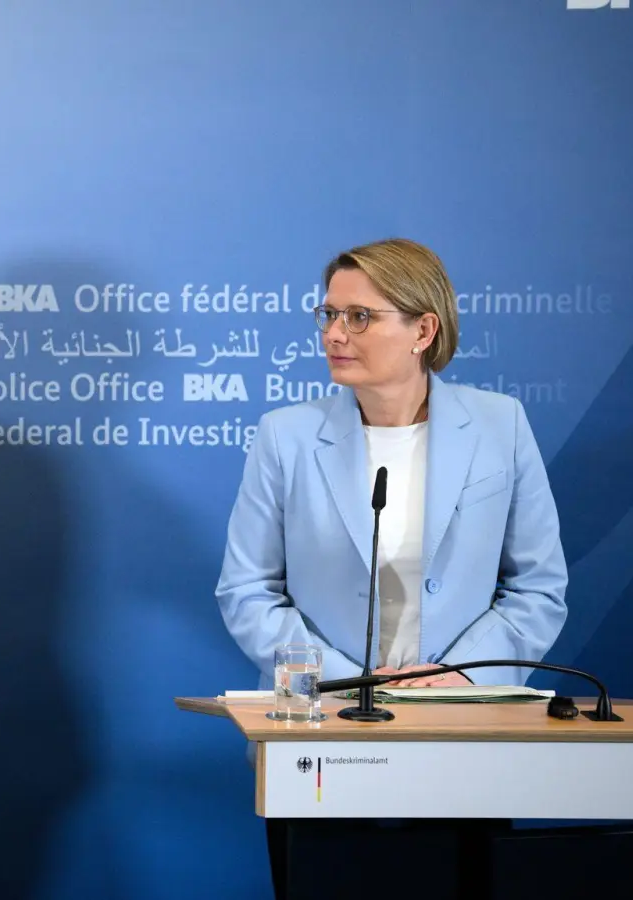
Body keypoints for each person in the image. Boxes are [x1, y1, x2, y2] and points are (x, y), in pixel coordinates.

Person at [215, 238, 567, 689]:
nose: (334, 334)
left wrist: (462, 674)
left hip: (461, 713)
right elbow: (247, 592)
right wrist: (345, 682)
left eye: (360, 317)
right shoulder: (286, 436)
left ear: (423, 331)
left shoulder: (502, 426)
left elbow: (537, 588)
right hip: (326, 713)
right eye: (329, 315)